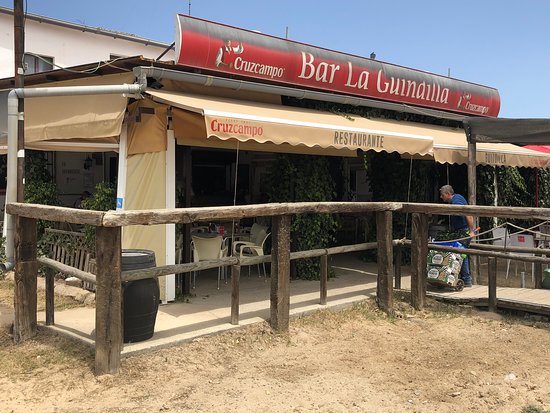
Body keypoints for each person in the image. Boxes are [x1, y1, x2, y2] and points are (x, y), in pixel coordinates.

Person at [439, 185, 475, 287]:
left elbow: (468, 215)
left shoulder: (456, 201)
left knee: (461, 253)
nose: (441, 197)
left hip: (463, 230)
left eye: (442, 195)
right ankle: (464, 278)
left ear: (448, 194)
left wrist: (471, 231)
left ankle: (467, 280)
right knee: (461, 253)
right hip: (460, 230)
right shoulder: (456, 199)